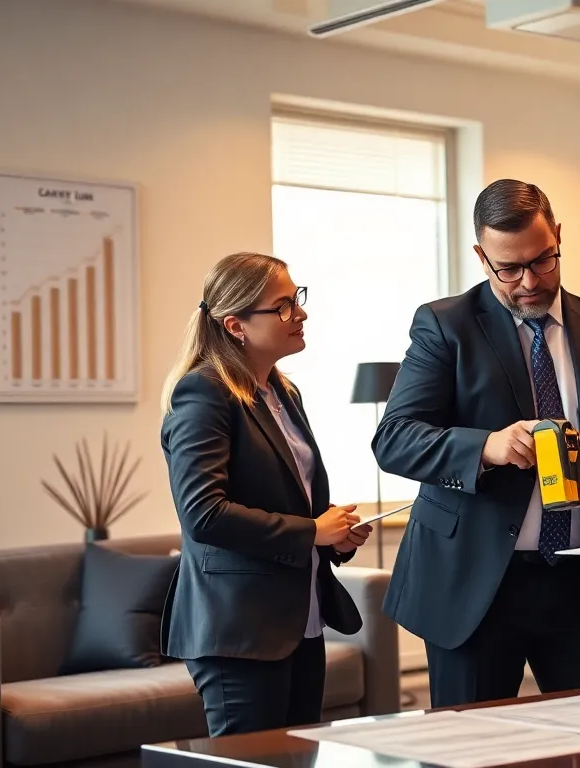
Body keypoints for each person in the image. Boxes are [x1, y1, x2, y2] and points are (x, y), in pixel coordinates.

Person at [372, 179, 580, 707]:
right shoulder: (445, 326)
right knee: (473, 751)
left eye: (542, 261)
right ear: (481, 257)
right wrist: (485, 446)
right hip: (476, 585)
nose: (529, 281)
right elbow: (394, 439)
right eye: (509, 269)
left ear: (557, 236)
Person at [159, 252, 373, 736]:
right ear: (236, 325)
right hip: (240, 629)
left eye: (296, 298)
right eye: (282, 305)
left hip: (300, 621)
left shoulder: (283, 392)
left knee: (298, 757)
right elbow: (204, 515)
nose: (300, 313)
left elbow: (292, 500)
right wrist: (310, 531)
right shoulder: (203, 392)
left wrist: (332, 535)